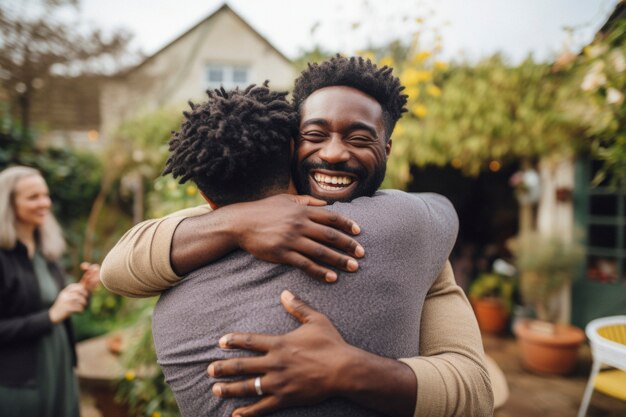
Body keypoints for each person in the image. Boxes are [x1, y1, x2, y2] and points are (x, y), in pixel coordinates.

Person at [102, 56, 493, 417]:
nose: (335, 153)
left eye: (359, 138)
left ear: (387, 148)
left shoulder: (413, 238)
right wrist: (239, 223)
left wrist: (351, 370)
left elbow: (475, 391)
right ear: (293, 143)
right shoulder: (417, 223)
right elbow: (119, 267)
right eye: (316, 134)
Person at [0, 166, 100, 417]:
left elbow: (54, 303)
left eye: (45, 195)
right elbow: (50, 312)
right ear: (7, 204)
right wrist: (50, 316)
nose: (45, 202)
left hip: (59, 367)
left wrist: (83, 290)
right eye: (33, 197)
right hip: (19, 380)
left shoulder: (46, 251)